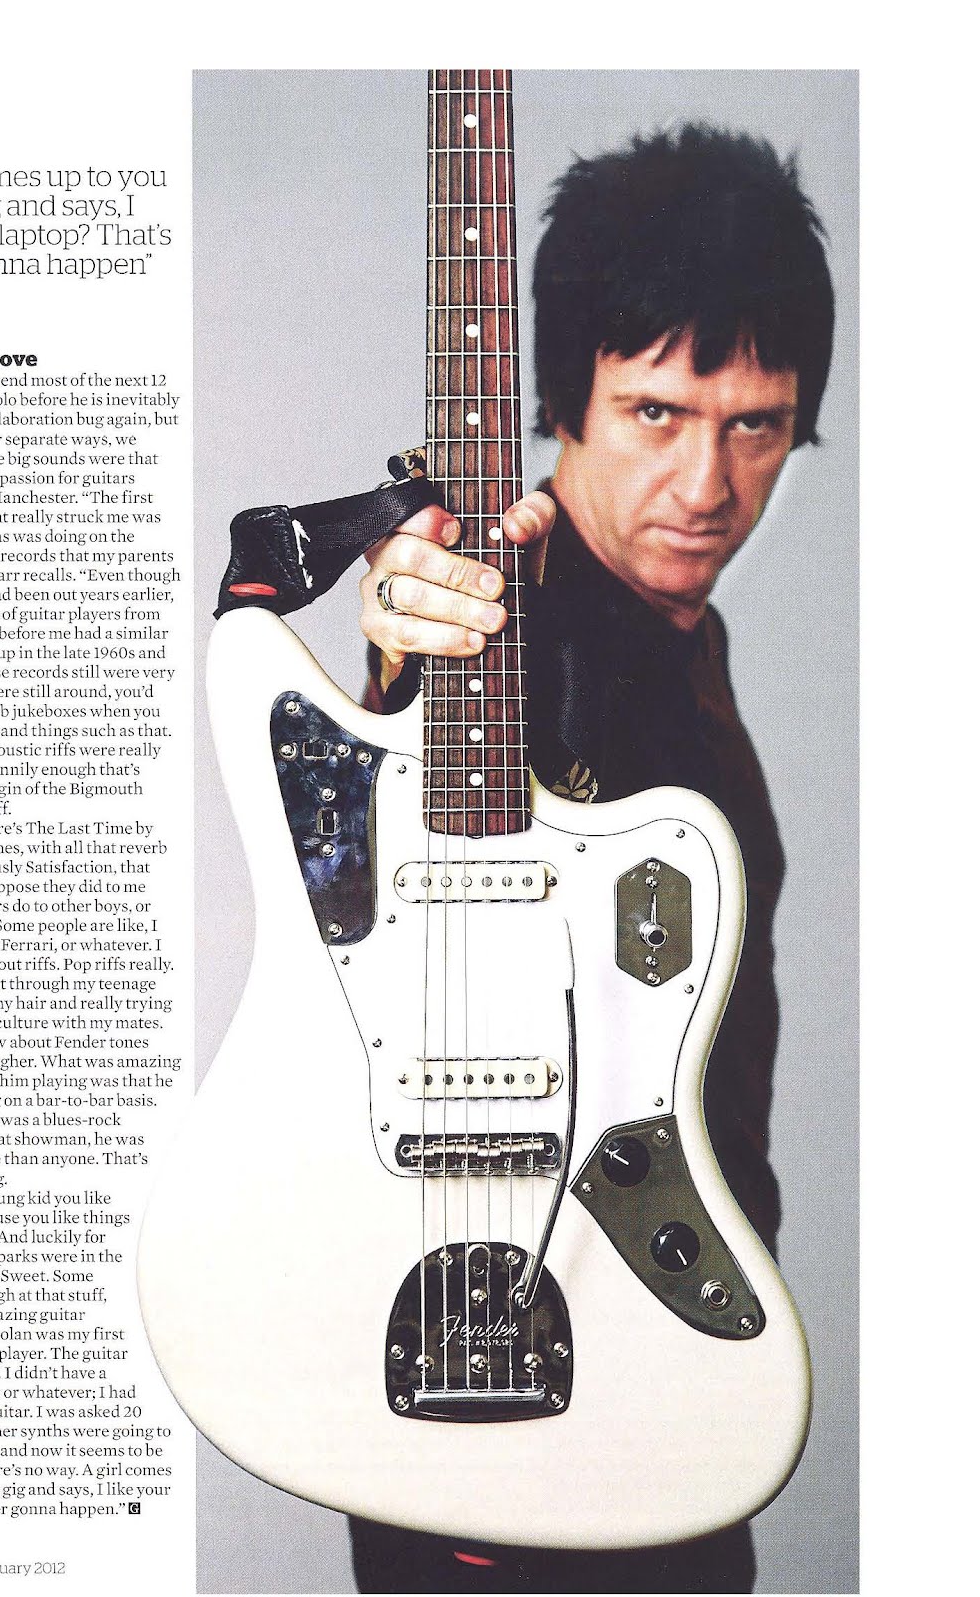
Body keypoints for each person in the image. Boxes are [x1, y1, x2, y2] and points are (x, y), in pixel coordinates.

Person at [353, 124, 835, 1595]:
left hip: (675, 1359)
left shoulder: (686, 634)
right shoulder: (514, 619)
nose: (705, 482)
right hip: (520, 1371)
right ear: (563, 400)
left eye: (755, 425)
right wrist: (402, 653)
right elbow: (396, 840)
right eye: (655, 413)